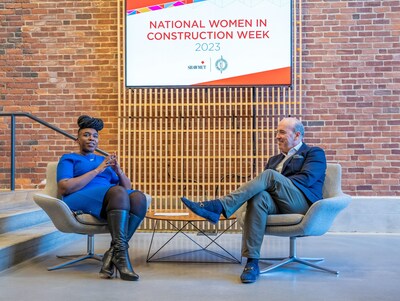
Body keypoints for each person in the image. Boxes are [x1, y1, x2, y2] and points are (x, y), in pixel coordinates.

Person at [181, 117, 327, 284]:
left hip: (301, 204)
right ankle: (252, 263)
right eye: (276, 132)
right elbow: (264, 188)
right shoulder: (274, 160)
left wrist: (277, 181)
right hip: (277, 203)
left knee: (269, 176)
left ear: (297, 135)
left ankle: (219, 205)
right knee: (258, 197)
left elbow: (306, 180)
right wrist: (272, 185)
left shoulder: (313, 153)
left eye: (281, 132)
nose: (277, 136)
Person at [57, 115, 149, 281]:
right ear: (77, 139)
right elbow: (64, 187)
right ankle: (121, 259)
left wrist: (118, 170)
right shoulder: (69, 158)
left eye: (95, 136)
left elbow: (127, 189)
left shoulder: (104, 160)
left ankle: (113, 254)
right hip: (78, 197)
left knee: (138, 197)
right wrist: (98, 170)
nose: (91, 138)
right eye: (86, 135)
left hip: (109, 196)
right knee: (117, 192)